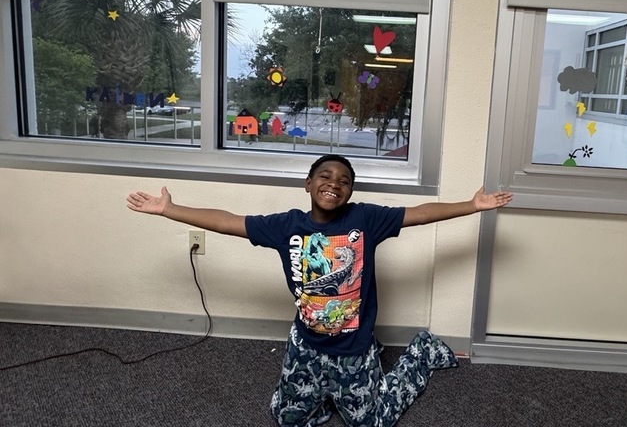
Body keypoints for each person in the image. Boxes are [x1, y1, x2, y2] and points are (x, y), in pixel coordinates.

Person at [126, 154, 512, 427]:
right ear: (308, 184)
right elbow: (228, 221)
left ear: (350, 192)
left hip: (353, 347)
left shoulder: (366, 218)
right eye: (325, 176)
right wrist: (170, 209)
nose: (334, 184)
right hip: (306, 345)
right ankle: (324, 393)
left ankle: (421, 353)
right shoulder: (287, 226)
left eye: (344, 181)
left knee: (371, 423)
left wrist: (472, 205)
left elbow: (421, 214)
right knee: (284, 418)